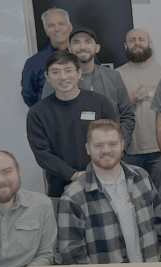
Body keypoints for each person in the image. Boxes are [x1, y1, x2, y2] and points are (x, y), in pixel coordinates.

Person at [57, 120, 161, 267]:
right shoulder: (73, 196)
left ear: (123, 145)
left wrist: (154, 257)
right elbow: (71, 252)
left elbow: (157, 220)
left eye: (112, 144)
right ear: (88, 149)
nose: (106, 151)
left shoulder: (141, 177)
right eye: (98, 146)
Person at [26, 51, 119, 197]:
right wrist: (73, 175)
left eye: (68, 70)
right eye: (56, 72)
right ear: (47, 77)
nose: (63, 77)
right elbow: (42, 153)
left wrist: (96, 172)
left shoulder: (100, 103)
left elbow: (112, 141)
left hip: (102, 180)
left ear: (79, 73)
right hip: (60, 187)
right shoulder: (37, 112)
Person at [117, 28, 161, 257]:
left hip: (159, 147)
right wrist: (127, 100)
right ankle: (135, 240)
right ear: (125, 45)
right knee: (131, 198)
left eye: (141, 39)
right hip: (129, 149)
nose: (137, 43)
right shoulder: (116, 76)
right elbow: (109, 112)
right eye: (132, 40)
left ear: (150, 43)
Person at [42, 27, 135, 148]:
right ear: (69, 49)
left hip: (109, 153)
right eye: (76, 42)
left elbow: (127, 115)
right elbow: (47, 119)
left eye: (87, 41)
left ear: (97, 48)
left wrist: (121, 146)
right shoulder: (58, 81)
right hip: (71, 154)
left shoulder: (113, 77)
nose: (82, 47)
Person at [21, 7, 73, 107]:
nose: (57, 29)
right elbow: (29, 95)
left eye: (61, 24)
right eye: (51, 25)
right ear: (46, 31)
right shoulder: (34, 63)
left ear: (70, 27)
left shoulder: (84, 56)